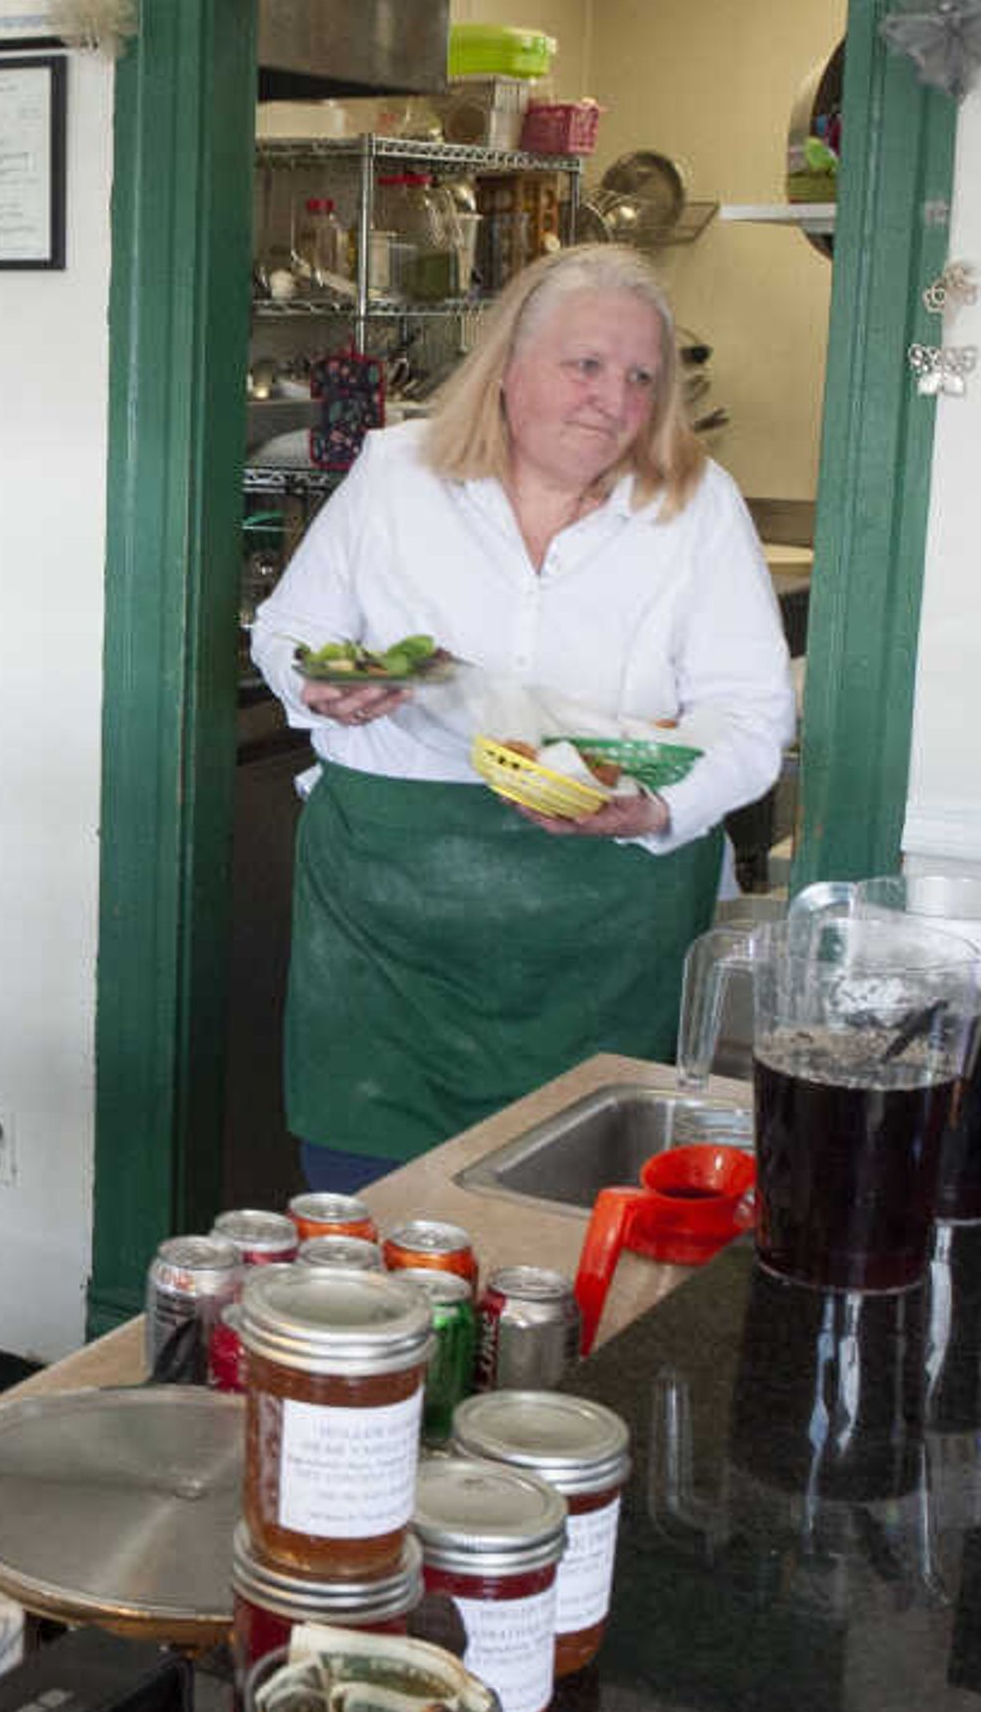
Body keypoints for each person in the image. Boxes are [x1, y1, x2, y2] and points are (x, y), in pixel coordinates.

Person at [248, 242, 794, 1195]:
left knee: (582, 1226)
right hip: (388, 941)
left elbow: (751, 716)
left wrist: (659, 809)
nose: (612, 399)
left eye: (639, 377)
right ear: (506, 370)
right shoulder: (395, 475)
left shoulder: (697, 507)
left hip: (607, 931)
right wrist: (318, 682)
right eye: (584, 365)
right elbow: (292, 631)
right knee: (373, 1219)